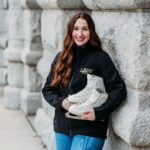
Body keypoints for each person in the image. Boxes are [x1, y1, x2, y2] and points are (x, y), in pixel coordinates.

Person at [42, 12, 127, 150]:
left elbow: (119, 89)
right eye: (76, 29)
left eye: (85, 29)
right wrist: (61, 102)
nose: (79, 34)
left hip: (89, 130)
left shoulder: (100, 58)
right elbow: (48, 89)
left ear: (91, 32)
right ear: (70, 31)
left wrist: (99, 112)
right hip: (62, 129)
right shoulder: (61, 58)